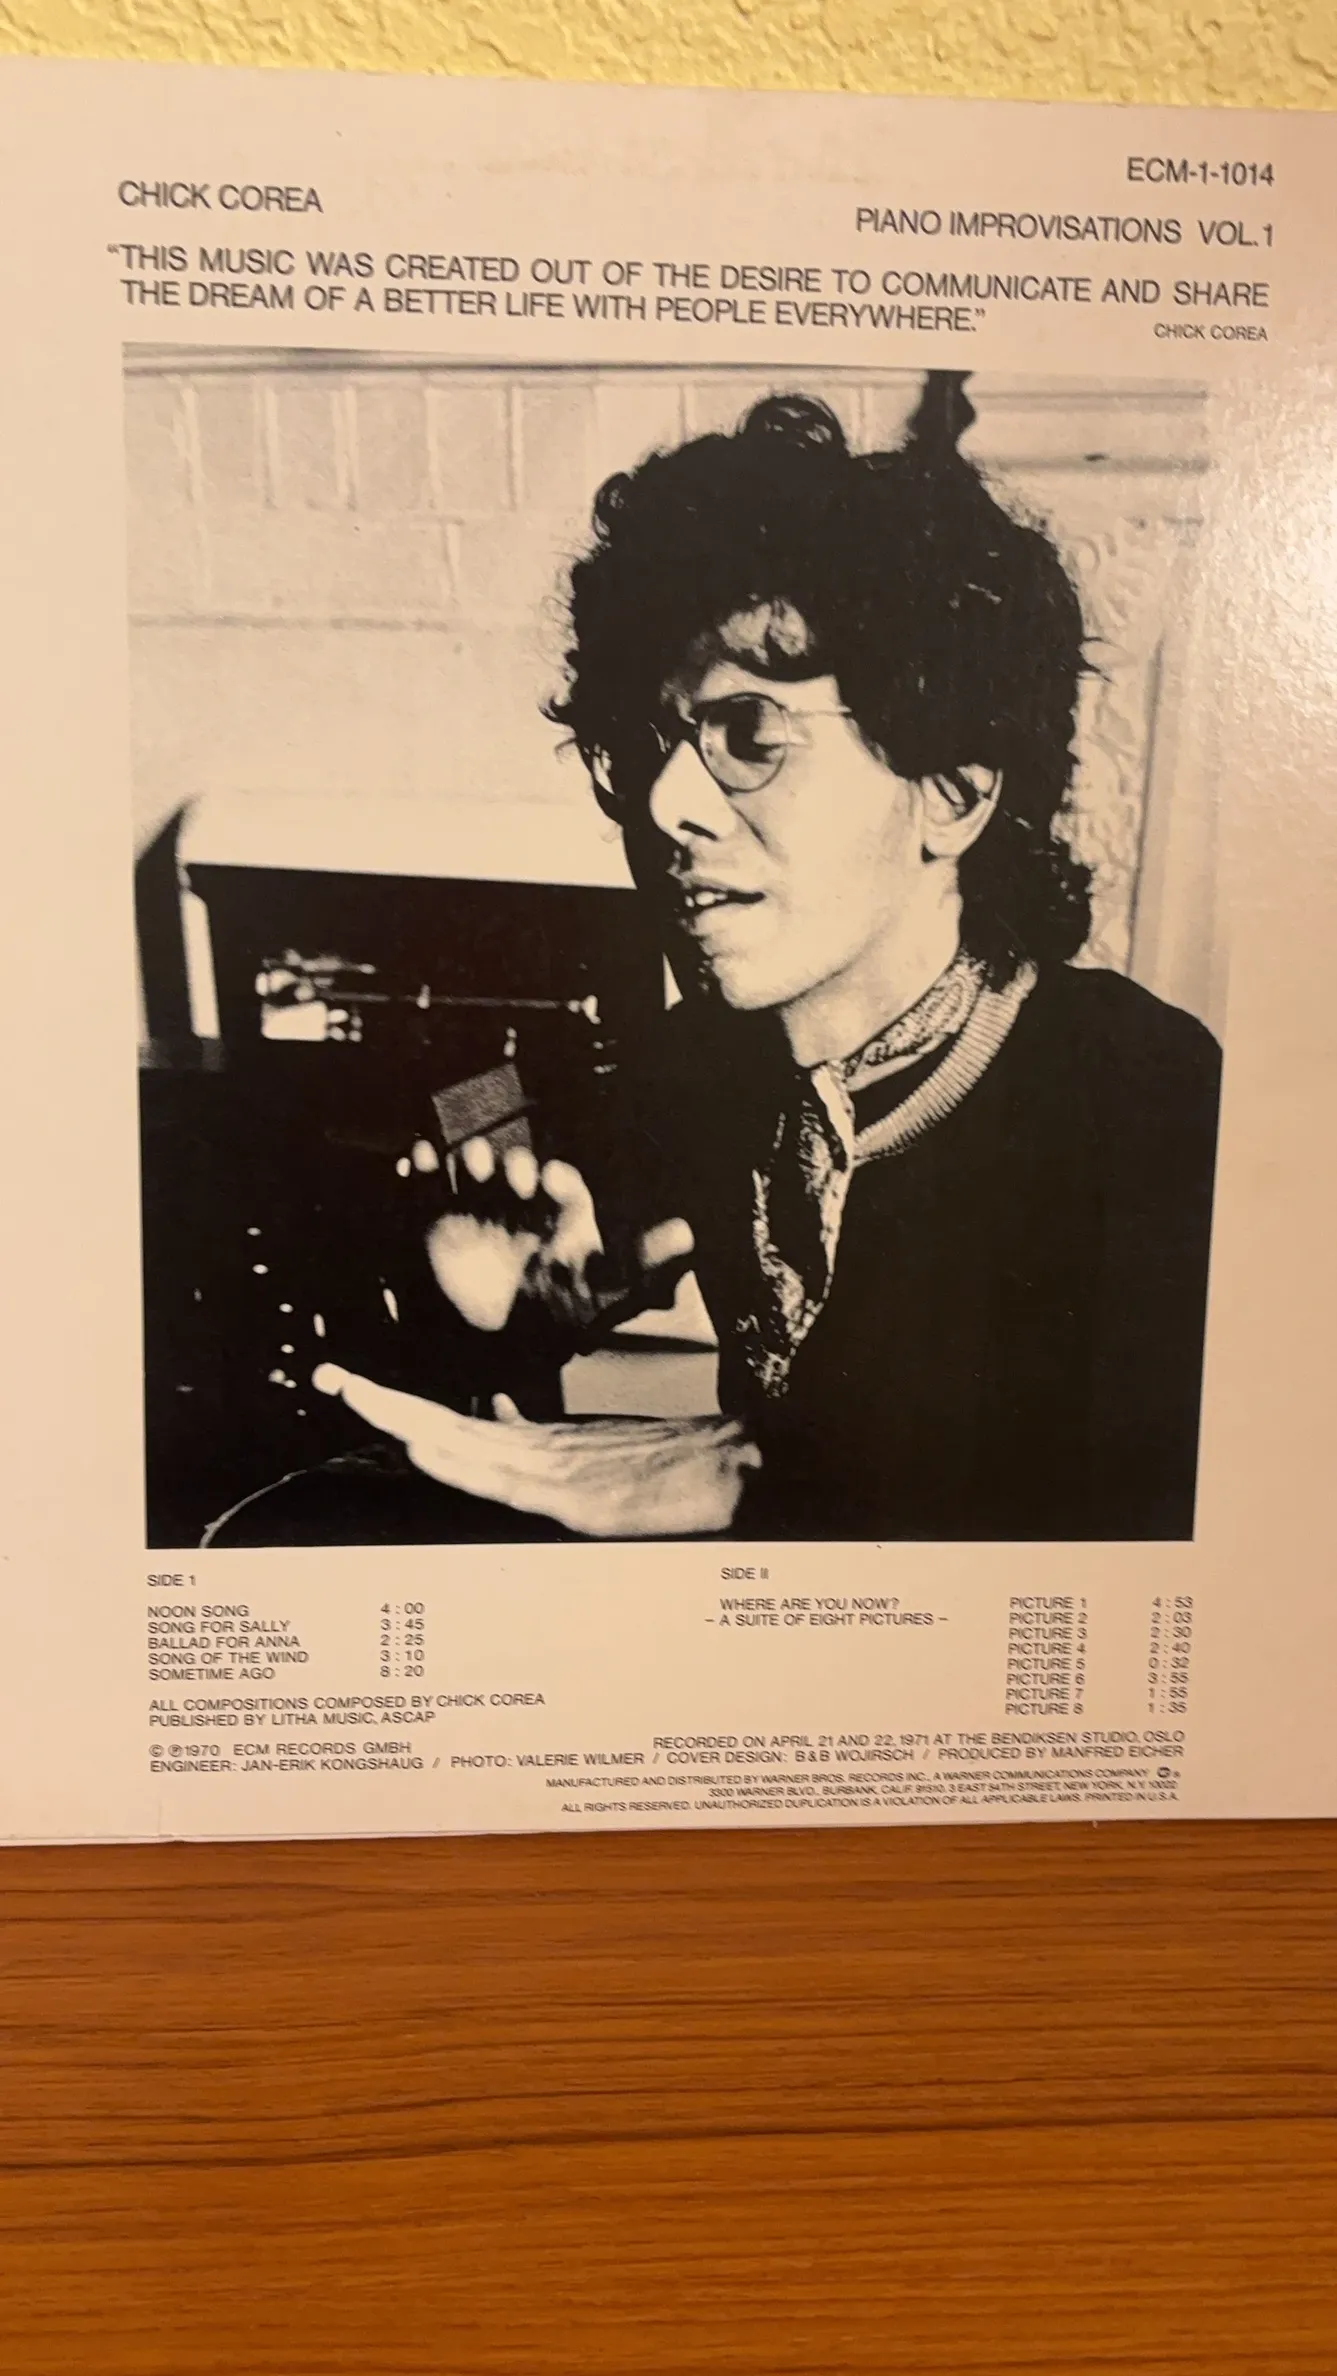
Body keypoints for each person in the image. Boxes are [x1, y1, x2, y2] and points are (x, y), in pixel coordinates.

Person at [280, 379, 1220, 1543]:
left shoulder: (1150, 1102)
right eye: (639, 745)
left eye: (746, 734)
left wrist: (770, 1471)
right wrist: (503, 1306)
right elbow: (521, 1187)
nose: (663, 804)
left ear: (950, 791)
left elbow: (1168, 1535)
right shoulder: (698, 1066)